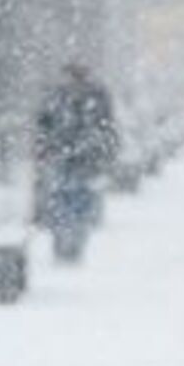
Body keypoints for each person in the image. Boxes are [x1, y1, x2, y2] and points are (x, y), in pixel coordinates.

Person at [35, 62, 120, 263]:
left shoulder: (62, 96)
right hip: (74, 157)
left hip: (75, 157)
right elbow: (107, 127)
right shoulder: (88, 96)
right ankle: (69, 241)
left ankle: (70, 242)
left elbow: (43, 125)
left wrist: (45, 147)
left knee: (70, 199)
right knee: (70, 199)